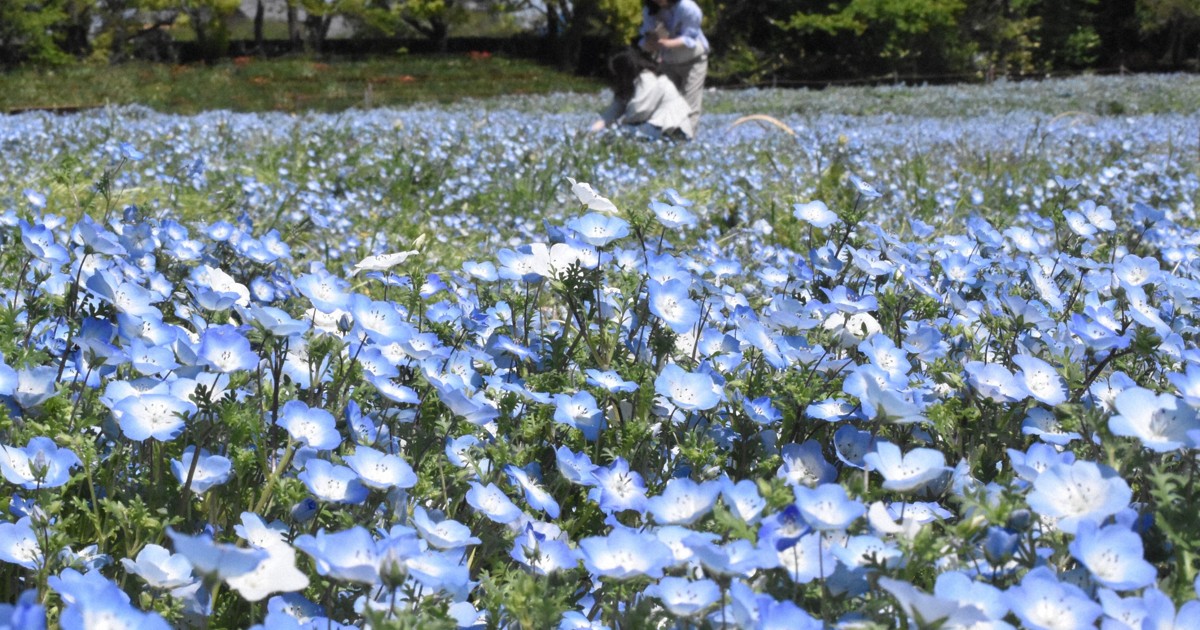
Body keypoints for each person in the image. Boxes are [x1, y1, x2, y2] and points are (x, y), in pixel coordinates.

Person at [590, 49, 695, 141]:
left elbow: (638, 111)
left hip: (672, 129)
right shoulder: (628, 84)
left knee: (617, 135)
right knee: (612, 134)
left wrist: (616, 127)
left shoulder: (647, 78)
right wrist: (589, 133)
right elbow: (610, 115)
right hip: (653, 126)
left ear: (624, 70)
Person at [638, 0, 708, 134]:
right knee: (666, 101)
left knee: (689, 104)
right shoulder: (649, 10)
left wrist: (667, 43)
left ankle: (686, 140)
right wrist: (650, 43)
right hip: (669, 61)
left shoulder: (687, 7)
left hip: (694, 60)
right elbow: (646, 36)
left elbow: (690, 38)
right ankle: (666, 138)